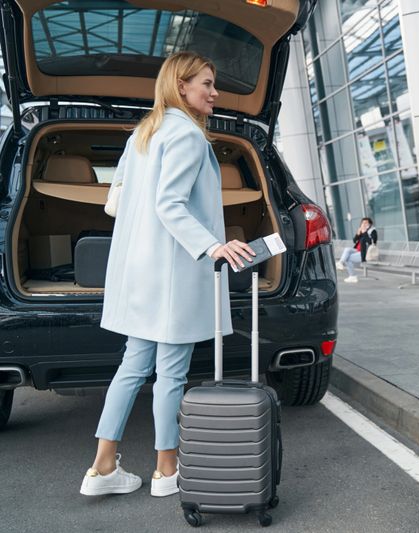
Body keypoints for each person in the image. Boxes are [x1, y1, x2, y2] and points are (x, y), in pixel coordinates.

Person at [80, 52, 256, 498]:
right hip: (173, 272)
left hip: (140, 270)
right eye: (207, 84)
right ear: (182, 86)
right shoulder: (188, 136)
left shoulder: (145, 132)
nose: (215, 92)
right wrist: (213, 245)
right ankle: (167, 471)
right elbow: (170, 204)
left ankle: (102, 468)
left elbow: (117, 200)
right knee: (171, 374)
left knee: (132, 367)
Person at [336, 217, 378, 283]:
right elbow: (354, 241)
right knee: (347, 249)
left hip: (365, 253)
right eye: (362, 223)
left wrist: (365, 233)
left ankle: (353, 276)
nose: (364, 224)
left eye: (366, 223)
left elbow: (371, 242)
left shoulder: (373, 231)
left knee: (348, 258)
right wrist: (357, 234)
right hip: (358, 251)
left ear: (369, 224)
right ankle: (340, 263)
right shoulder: (361, 231)